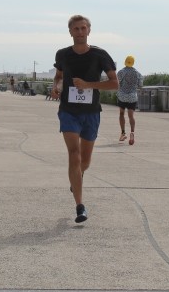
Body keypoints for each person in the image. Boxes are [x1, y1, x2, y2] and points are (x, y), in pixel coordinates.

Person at [53, 14, 118, 224]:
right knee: (74, 154)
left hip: (91, 112)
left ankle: (77, 178)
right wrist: (56, 87)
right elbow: (58, 76)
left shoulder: (100, 55)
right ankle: (80, 206)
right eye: (76, 29)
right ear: (70, 32)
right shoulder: (63, 54)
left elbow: (114, 83)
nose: (80, 32)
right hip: (68, 111)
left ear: (89, 30)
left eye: (83, 28)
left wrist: (89, 85)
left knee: (85, 161)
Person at [116, 55, 142, 145]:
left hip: (122, 96)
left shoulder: (121, 72)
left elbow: (117, 83)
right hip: (132, 96)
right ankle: (132, 132)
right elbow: (140, 85)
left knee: (121, 114)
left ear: (125, 62)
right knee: (131, 116)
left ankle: (123, 133)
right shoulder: (138, 73)